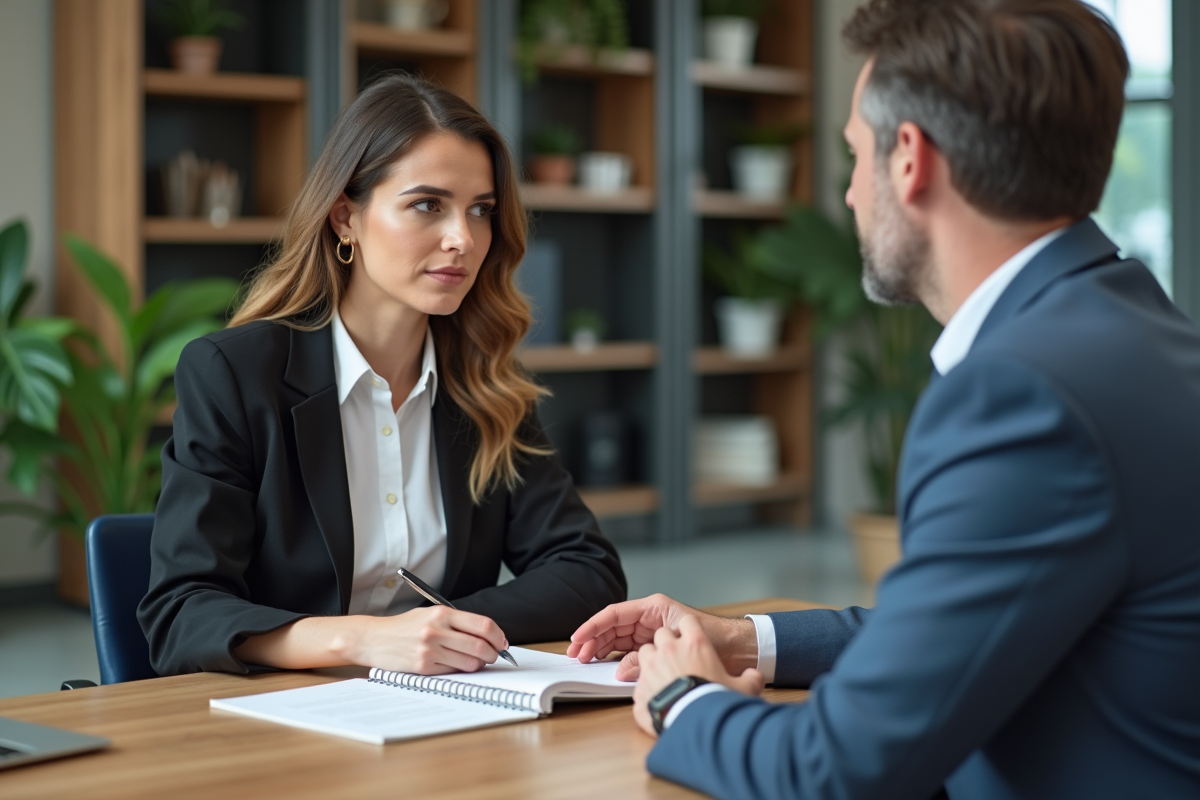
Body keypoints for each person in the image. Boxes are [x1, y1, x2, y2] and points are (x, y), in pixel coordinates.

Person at [568, 1, 1200, 798]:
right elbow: (967, 625)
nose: (848, 196)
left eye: (854, 156)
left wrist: (682, 700)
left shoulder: (1023, 395)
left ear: (909, 158)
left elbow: (838, 772)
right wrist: (744, 639)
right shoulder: (1129, 329)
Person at [138, 74, 626, 678]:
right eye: (427, 205)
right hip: (277, 710)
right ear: (345, 216)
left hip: (442, 708)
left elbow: (587, 571)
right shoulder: (234, 375)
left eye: (480, 210)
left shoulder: (485, 382)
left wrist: (439, 633)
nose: (463, 238)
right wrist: (366, 641)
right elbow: (182, 613)